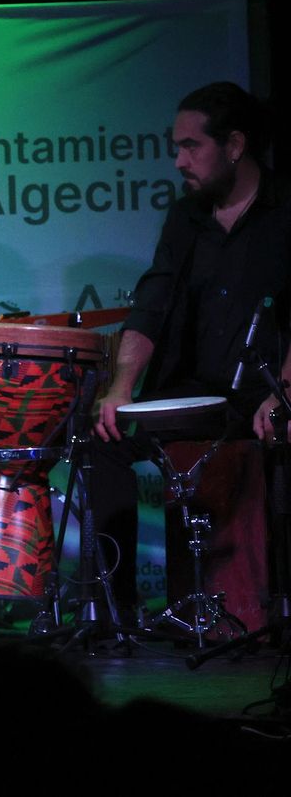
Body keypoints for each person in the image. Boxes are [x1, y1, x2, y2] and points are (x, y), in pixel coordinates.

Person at [90, 82, 289, 614]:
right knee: (103, 440)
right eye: (174, 147)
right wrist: (122, 388)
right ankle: (117, 613)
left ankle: (269, 611)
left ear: (235, 144)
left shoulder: (284, 211)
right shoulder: (186, 218)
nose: (179, 160)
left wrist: (284, 392)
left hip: (259, 399)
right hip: (191, 398)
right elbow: (152, 303)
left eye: (190, 146)